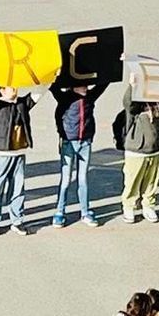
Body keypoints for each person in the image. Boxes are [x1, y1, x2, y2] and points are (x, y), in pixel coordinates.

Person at [49, 80, 105, 229]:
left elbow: (103, 83)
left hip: (85, 142)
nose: (86, 87)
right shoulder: (65, 98)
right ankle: (59, 212)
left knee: (83, 179)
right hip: (69, 143)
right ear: (73, 85)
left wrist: (115, 61)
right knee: (66, 179)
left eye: (87, 85)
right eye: (82, 85)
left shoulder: (90, 97)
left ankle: (85, 212)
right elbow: (52, 86)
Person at [0, 89, 34, 236]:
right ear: (2, 90)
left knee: (18, 188)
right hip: (2, 153)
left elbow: (39, 92)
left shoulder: (22, 103)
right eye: (10, 87)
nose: (14, 89)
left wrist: (49, 77)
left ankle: (17, 221)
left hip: (19, 151)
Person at [117, 94, 159, 225]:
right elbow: (128, 102)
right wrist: (132, 86)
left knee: (151, 182)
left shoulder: (156, 104)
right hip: (136, 151)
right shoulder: (134, 107)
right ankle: (129, 206)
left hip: (154, 150)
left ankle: (148, 205)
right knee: (132, 181)